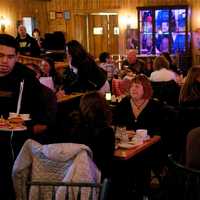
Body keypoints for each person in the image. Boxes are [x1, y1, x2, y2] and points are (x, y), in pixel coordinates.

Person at [0, 33, 56, 198]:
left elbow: (43, 116)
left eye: (10, 57)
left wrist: (25, 127)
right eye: (1, 55)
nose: (5, 61)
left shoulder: (27, 78)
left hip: (16, 148)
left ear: (17, 57)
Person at [60, 91, 115, 180]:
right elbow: (107, 163)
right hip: (96, 177)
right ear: (103, 107)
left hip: (72, 175)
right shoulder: (106, 132)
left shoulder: (73, 126)